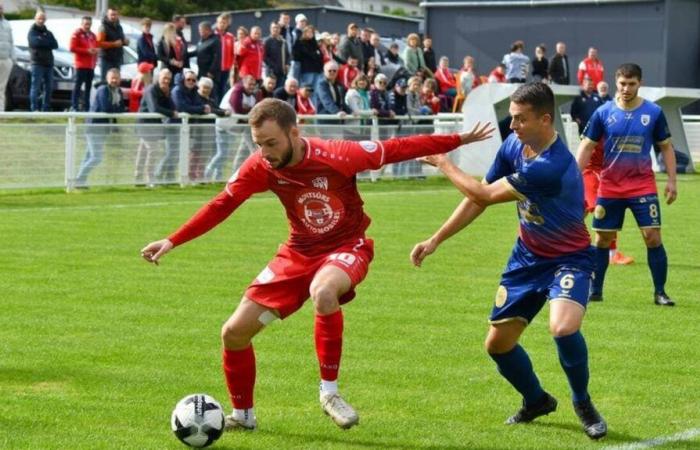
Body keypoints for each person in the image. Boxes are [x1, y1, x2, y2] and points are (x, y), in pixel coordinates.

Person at [140, 97, 493, 432]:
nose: (264, 152)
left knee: (323, 291)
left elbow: (398, 147)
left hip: (346, 247)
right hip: (296, 255)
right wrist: (172, 240)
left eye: (271, 143)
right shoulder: (261, 166)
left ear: (295, 132)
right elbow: (221, 205)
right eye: (258, 144)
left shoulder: (337, 155)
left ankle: (329, 393)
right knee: (233, 333)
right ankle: (243, 415)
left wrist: (458, 138)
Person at [411, 82, 608, 440]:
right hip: (527, 258)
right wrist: (436, 238)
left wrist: (444, 163)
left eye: (520, 119)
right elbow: (477, 200)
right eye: (511, 118)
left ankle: (583, 402)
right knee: (497, 346)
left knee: (563, 328)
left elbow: (481, 194)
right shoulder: (515, 146)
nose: (512, 126)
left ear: (545, 120)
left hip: (570, 259)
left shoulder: (552, 165)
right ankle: (536, 400)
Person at [576, 63, 677, 306]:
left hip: (643, 185)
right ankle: (595, 290)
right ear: (616, 81)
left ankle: (660, 292)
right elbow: (587, 146)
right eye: (622, 83)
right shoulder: (603, 112)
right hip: (610, 186)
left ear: (639, 83)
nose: (626, 88)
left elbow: (666, 147)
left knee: (652, 237)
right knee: (602, 239)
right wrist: (573, 178)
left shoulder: (653, 112)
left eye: (632, 84)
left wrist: (672, 180)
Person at [76, 68, 125, 187]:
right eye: (112, 78)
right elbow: (106, 108)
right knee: (96, 157)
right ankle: (78, 179)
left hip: (103, 129)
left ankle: (80, 182)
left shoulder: (119, 91)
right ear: (107, 79)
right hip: (94, 127)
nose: (114, 80)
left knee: (88, 156)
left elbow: (122, 108)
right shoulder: (103, 89)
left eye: (116, 78)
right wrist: (117, 109)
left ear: (120, 79)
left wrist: (116, 112)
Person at [136, 69, 178, 185]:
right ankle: (149, 179)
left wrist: (167, 95)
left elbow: (172, 107)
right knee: (152, 151)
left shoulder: (164, 91)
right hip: (145, 124)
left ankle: (138, 178)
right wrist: (171, 114)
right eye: (164, 78)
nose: (166, 81)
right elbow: (154, 108)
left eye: (168, 79)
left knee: (144, 152)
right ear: (158, 78)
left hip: (153, 125)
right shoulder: (151, 89)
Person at [191, 77, 229, 182]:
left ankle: (201, 179)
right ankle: (191, 179)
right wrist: (221, 112)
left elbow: (216, 109)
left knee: (204, 156)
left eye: (208, 88)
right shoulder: (195, 98)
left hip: (208, 133)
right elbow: (210, 110)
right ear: (199, 87)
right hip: (196, 132)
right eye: (204, 87)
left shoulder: (210, 100)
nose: (206, 90)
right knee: (194, 156)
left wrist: (225, 111)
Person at [27, 10, 57, 112]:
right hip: (37, 63)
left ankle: (46, 108)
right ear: (35, 19)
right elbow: (35, 43)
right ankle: (34, 109)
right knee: (35, 87)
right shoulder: (31, 32)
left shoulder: (49, 32)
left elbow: (55, 44)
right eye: (39, 18)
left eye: (43, 18)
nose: (41, 20)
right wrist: (46, 42)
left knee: (49, 87)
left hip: (49, 63)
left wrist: (42, 41)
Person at [229, 74, 261, 171]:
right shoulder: (237, 90)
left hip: (244, 125)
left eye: (253, 84)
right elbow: (237, 109)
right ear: (243, 83)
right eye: (249, 84)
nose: (252, 87)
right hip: (228, 124)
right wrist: (248, 111)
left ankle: (237, 171)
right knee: (222, 153)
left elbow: (256, 110)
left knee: (244, 150)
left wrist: (247, 110)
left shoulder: (253, 94)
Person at [69, 16, 97, 112]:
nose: (87, 26)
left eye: (89, 24)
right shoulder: (77, 33)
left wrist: (95, 53)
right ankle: (74, 106)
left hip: (90, 66)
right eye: (85, 24)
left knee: (88, 88)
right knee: (77, 87)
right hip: (80, 65)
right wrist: (86, 51)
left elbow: (95, 47)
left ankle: (86, 107)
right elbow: (72, 48)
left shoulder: (93, 35)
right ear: (82, 24)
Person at [96, 7, 128, 82]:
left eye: (115, 15)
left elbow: (120, 41)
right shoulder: (103, 27)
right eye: (111, 15)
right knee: (105, 81)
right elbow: (99, 43)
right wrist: (113, 44)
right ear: (107, 15)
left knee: (116, 81)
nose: (113, 16)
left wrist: (125, 42)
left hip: (117, 59)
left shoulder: (119, 27)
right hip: (107, 59)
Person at [293, 25, 323, 91]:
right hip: (307, 70)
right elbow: (307, 54)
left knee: (315, 90)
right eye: (308, 32)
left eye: (312, 32)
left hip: (317, 70)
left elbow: (320, 55)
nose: (310, 34)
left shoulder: (314, 43)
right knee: (306, 89)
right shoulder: (300, 42)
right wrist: (315, 54)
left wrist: (316, 55)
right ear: (304, 33)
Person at [214, 13, 235, 102]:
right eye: (220, 22)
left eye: (224, 23)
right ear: (217, 23)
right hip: (214, 70)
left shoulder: (230, 37)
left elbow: (232, 53)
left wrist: (231, 67)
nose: (222, 24)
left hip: (226, 69)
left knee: (222, 91)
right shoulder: (212, 35)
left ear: (227, 24)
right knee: (214, 91)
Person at [263, 21, 289, 89]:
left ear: (280, 29)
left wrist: (287, 64)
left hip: (282, 72)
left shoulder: (283, 41)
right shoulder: (266, 41)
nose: (275, 29)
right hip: (271, 72)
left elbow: (288, 55)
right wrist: (273, 66)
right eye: (274, 28)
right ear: (270, 29)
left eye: (277, 28)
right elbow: (264, 57)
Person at [0, 4, 14, 112]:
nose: (0, 9)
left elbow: (11, 41)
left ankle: (0, 112)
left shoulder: (6, 23)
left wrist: (12, 59)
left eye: (1, 8)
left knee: (2, 88)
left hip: (5, 60)